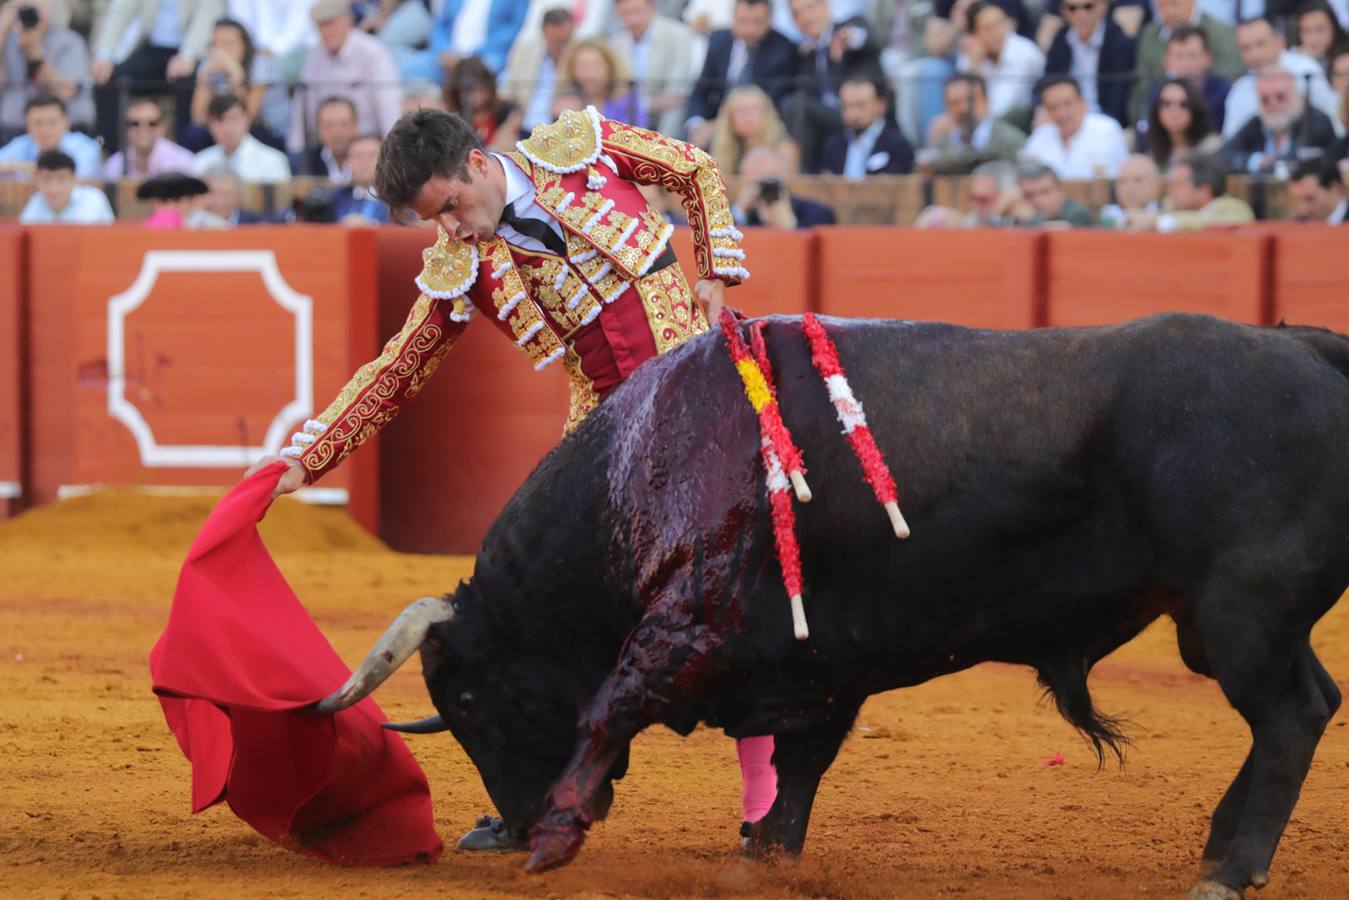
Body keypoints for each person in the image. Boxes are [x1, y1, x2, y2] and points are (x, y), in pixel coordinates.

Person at [243, 105, 760, 852]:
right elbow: (398, 368)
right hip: (607, 448)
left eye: (450, 207)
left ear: (479, 166)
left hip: (702, 401)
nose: (450, 230)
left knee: (754, 588)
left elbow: (692, 168)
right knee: (546, 610)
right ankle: (543, 796)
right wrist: (306, 456)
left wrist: (713, 272)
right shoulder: (462, 265)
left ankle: (767, 812)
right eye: (432, 220)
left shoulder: (579, 150)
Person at [90, 0, 224, 152]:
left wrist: (188, 55)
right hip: (154, 49)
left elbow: (205, 18)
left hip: (191, 51)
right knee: (110, 80)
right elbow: (121, 10)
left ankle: (184, 153)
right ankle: (112, 152)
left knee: (186, 83)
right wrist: (104, 54)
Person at [780, 0, 885, 173]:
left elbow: (863, 37)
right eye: (797, 14)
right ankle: (804, 174)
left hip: (862, 116)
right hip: (829, 127)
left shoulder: (849, 27)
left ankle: (802, 173)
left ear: (826, 7)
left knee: (795, 105)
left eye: (810, 7)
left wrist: (847, 38)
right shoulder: (806, 54)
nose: (805, 17)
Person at [291, 0, 401, 154]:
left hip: (368, 144)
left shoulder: (373, 52)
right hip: (327, 146)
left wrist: (392, 151)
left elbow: (388, 106)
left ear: (348, 20)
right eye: (322, 26)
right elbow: (303, 106)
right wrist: (296, 150)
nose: (327, 31)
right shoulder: (314, 56)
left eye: (332, 24)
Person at [685, 0, 797, 147]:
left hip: (758, 126)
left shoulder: (783, 49)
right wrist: (697, 124)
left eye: (757, 22)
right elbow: (701, 89)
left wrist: (717, 125)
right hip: (715, 124)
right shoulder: (718, 41)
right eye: (743, 21)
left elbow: (771, 101)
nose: (750, 29)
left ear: (770, 20)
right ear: (733, 18)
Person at [1223, 15, 1339, 140]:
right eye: (1246, 48)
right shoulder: (1240, 89)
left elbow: (1332, 120)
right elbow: (1230, 141)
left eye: (1260, 44)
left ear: (1280, 41)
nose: (1254, 54)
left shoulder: (1305, 71)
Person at [1130, 0, 1244, 126]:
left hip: (1209, 121)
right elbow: (1143, 88)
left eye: (1175, 4)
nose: (1170, 12)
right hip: (1161, 126)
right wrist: (1145, 124)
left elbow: (1230, 80)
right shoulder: (1149, 35)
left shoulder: (1223, 33)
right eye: (1162, 6)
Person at [186, 17, 287, 152]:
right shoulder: (210, 65)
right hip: (227, 127)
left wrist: (235, 74)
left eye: (229, 44)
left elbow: (248, 116)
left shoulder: (261, 64)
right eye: (216, 44)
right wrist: (203, 77)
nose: (222, 50)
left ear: (244, 45)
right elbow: (199, 119)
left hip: (265, 130)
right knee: (194, 134)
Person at [0, 0, 94, 138]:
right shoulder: (8, 40)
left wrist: (36, 54)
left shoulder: (69, 41)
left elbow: (65, 92)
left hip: (64, 133)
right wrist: (2, 29)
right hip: (13, 130)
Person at [1220, 66, 1338, 174]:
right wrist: (1258, 161)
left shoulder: (1316, 121)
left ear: (1297, 96)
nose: (1273, 104)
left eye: (1280, 97)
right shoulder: (1257, 123)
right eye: (1265, 100)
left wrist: (1265, 166)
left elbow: (1296, 162)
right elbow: (1222, 156)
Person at [609, 0, 699, 135]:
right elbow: (616, 90)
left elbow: (677, 91)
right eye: (625, 14)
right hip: (628, 114)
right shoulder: (616, 42)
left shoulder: (677, 34)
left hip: (666, 113)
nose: (633, 20)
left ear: (652, 8)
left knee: (673, 113)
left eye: (637, 11)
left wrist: (641, 105)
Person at [1043, 0, 1136, 127]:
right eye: (1072, 8)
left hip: (1105, 120)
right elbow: (1049, 82)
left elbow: (1119, 99)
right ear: (1063, 11)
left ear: (1103, 6)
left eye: (1088, 6)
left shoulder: (1119, 42)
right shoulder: (1060, 40)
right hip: (1063, 118)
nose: (1081, 14)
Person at [1022, 74, 1129, 178]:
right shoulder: (1040, 137)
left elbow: (1122, 177)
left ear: (1083, 103)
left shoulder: (1106, 130)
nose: (1061, 114)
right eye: (1053, 107)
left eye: (1067, 104)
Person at [396, 0, 528, 83]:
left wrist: (470, 55)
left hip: (487, 55)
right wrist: (444, 50)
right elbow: (440, 24)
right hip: (447, 55)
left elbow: (514, 29)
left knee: (484, 75)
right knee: (404, 69)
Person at [956, 1, 1044, 122]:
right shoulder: (970, 53)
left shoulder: (1023, 53)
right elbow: (961, 105)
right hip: (984, 123)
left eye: (1000, 24)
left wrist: (975, 69)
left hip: (1018, 122)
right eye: (988, 28)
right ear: (973, 35)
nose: (997, 33)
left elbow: (999, 111)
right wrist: (974, 65)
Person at [927, 72, 1027, 174]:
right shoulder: (942, 145)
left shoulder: (1011, 141)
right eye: (954, 103)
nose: (963, 109)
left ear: (986, 101)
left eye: (970, 101)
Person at [1129, 152, 1254, 231]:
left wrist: (1160, 221)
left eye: (1177, 184)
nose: (1169, 190)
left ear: (1203, 190)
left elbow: (1210, 224)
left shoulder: (1236, 210)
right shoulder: (1171, 207)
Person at [500, 7, 576, 134]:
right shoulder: (526, 51)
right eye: (554, 41)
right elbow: (509, 89)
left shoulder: (578, 55)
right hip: (522, 125)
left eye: (563, 42)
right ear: (543, 33)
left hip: (561, 129)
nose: (559, 47)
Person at [820, 75, 914, 177]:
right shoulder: (833, 145)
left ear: (880, 105)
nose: (852, 114)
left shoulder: (897, 144)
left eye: (860, 106)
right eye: (845, 107)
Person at [1145, 25, 1232, 134]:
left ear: (1207, 58)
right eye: (1179, 56)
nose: (1186, 63)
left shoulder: (1224, 91)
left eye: (1193, 55)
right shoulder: (1158, 93)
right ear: (1167, 61)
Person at [193, 94, 292, 182]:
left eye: (233, 119)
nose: (227, 127)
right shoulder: (200, 162)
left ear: (247, 120)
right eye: (220, 120)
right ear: (210, 125)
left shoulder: (273, 160)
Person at [0, 91, 100, 178]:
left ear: (66, 123)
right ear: (28, 126)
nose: (45, 130)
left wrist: (14, 166)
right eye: (38, 123)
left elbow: (76, 177)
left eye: (52, 122)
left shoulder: (84, 146)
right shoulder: (22, 144)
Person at [733, 143, 836, 226]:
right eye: (753, 185)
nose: (762, 191)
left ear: (783, 180)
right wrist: (739, 212)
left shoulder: (818, 214)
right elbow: (723, 245)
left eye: (769, 184)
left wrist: (790, 225)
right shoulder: (745, 217)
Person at [709, 83, 800, 174]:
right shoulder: (723, 151)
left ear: (766, 113)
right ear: (729, 119)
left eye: (753, 110)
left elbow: (789, 185)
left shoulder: (784, 150)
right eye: (741, 111)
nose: (748, 117)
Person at [102, 97, 196, 179]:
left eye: (152, 123)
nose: (143, 129)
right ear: (126, 128)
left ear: (163, 127)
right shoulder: (114, 165)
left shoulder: (183, 162)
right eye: (135, 123)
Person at [443, 55, 521, 151]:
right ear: (457, 93)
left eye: (479, 89)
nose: (474, 96)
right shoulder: (454, 119)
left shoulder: (507, 111)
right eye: (467, 91)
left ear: (489, 87)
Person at [558, 37, 644, 124]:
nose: (589, 73)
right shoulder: (565, 102)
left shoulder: (627, 100)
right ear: (571, 70)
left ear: (610, 66)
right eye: (582, 66)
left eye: (596, 65)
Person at [1141, 77, 1221, 168]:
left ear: (1195, 109)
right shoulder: (1153, 155)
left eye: (1183, 104)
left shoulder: (1212, 147)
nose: (1174, 110)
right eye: (1167, 104)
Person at [19, 147, 113, 223]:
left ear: (74, 180)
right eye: (47, 179)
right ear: (37, 180)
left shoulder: (93, 199)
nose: (54, 188)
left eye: (61, 179)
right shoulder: (36, 202)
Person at [331, 133, 391, 224]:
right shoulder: (335, 199)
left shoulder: (398, 202)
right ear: (348, 162)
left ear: (385, 161)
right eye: (358, 156)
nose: (364, 162)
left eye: (371, 155)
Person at [1014, 161, 1095, 226]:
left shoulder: (1077, 215)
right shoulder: (1020, 213)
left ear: (1060, 190)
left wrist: (1032, 219)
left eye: (1045, 192)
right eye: (1029, 195)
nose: (1038, 200)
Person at [190, 164, 274, 226]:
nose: (220, 201)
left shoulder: (256, 225)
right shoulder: (189, 223)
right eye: (213, 194)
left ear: (238, 196)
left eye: (226, 194)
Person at [298, 96, 358, 181]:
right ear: (318, 129)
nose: (337, 132)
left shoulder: (373, 158)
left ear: (355, 126)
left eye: (343, 124)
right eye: (328, 125)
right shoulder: (303, 161)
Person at [1098, 152, 1162, 228]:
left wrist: (1157, 222)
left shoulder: (1169, 212)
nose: (1130, 188)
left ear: (1156, 185)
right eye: (1123, 181)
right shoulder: (1109, 213)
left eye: (1138, 180)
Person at [137, 170, 210, 228]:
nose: (170, 206)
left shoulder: (210, 227)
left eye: (177, 200)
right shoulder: (143, 230)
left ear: (192, 200)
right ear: (153, 203)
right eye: (163, 201)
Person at [1288, 155, 1348, 221]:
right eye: (1297, 200)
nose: (1303, 210)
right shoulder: (1299, 223)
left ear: (1335, 189)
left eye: (1310, 199)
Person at [965, 158, 1022, 226]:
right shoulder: (972, 220)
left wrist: (995, 215)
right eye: (973, 198)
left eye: (983, 200)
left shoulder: (1022, 220)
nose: (974, 204)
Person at [1293, 0, 1346, 70]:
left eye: (1320, 30)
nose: (1314, 39)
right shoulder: (1291, 60)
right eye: (1307, 31)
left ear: (1334, 29)